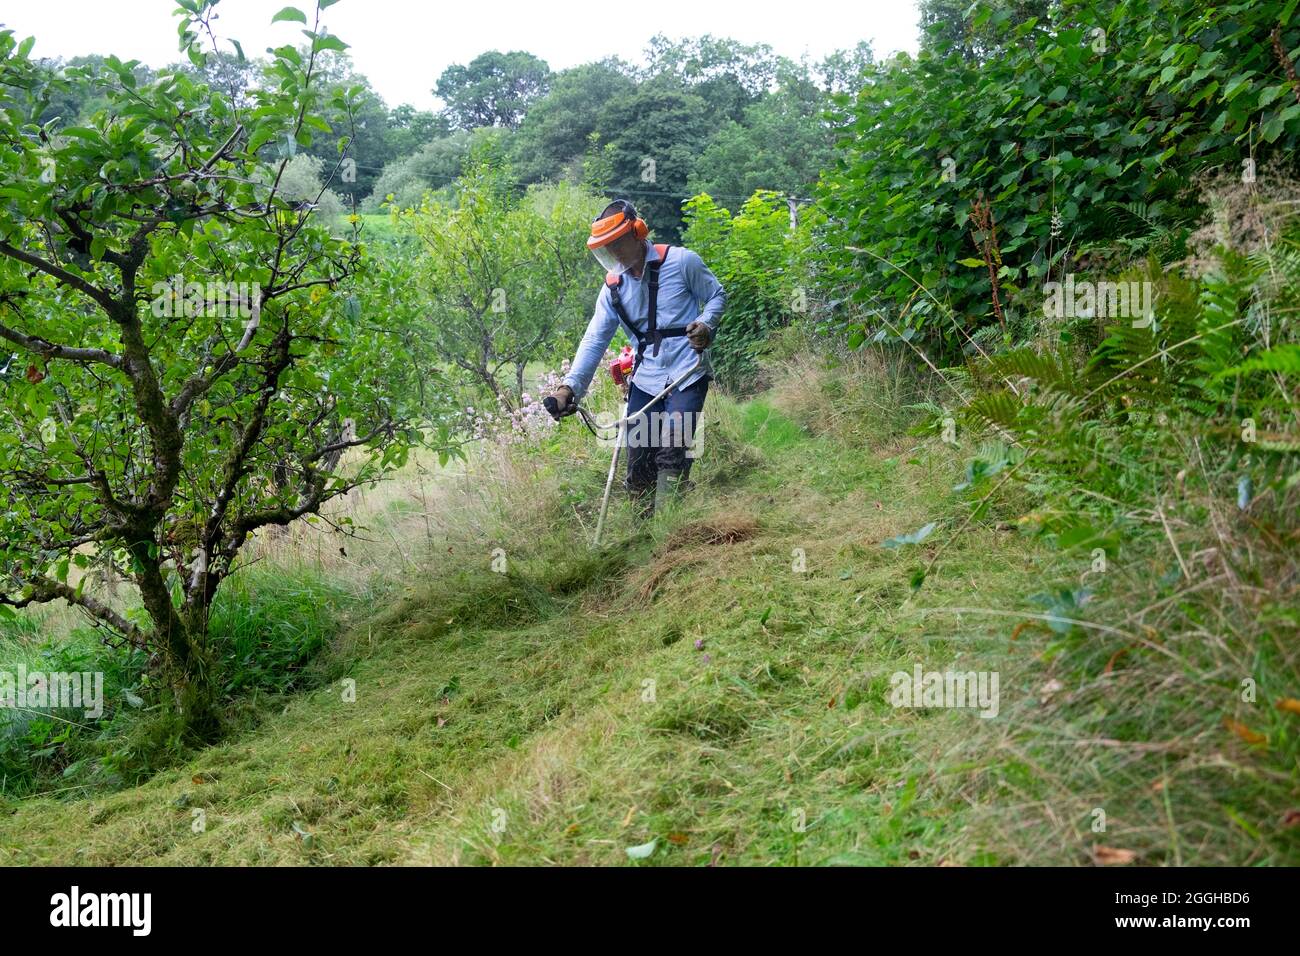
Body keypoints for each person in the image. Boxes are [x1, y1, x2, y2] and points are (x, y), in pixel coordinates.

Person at [547, 199, 725, 516]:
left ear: (638, 232)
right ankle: (642, 539)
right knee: (639, 460)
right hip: (645, 378)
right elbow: (595, 339)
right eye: (606, 247)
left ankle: (669, 534)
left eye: (617, 243)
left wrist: (706, 324)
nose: (613, 253)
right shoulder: (613, 290)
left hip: (688, 372)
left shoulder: (683, 262)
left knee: (672, 451)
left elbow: (715, 296)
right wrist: (569, 388)